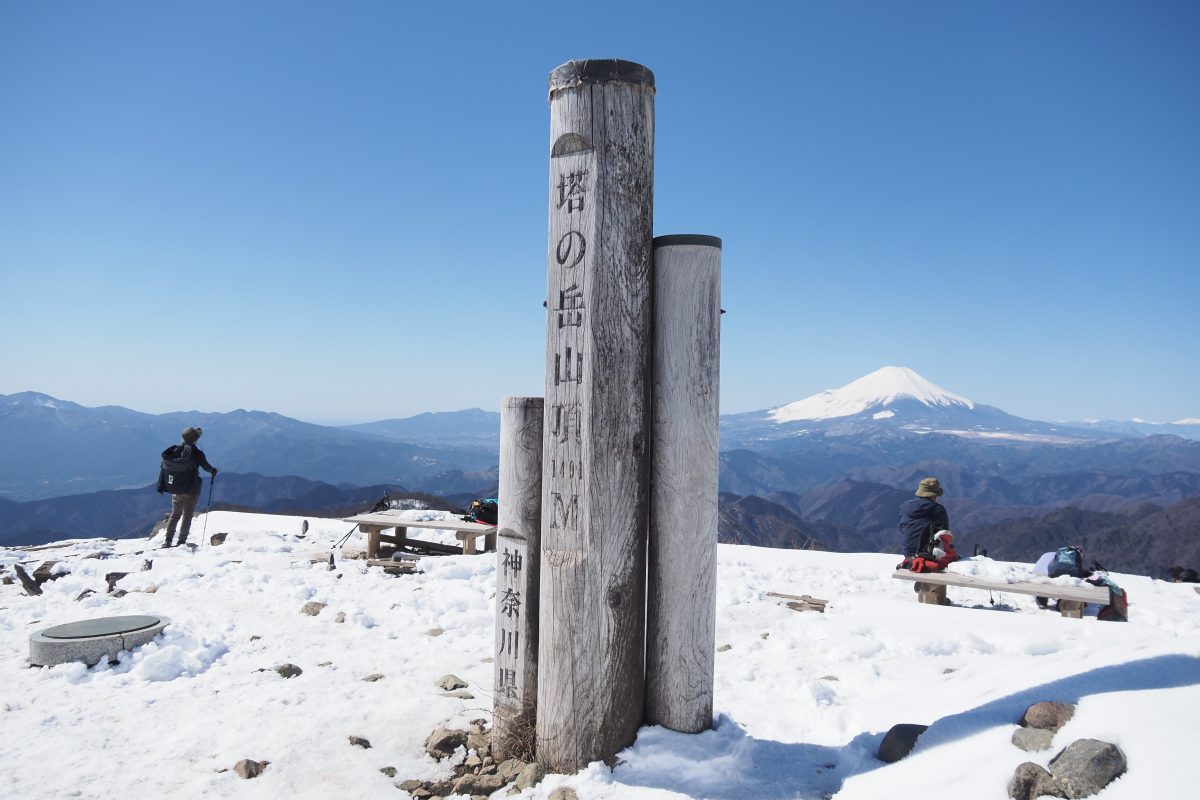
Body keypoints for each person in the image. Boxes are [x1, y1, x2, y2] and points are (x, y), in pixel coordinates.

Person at [157, 426, 218, 548]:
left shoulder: (174, 452)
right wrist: (213, 471)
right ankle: (181, 542)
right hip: (191, 489)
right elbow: (207, 467)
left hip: (176, 489)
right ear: (195, 439)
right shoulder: (196, 453)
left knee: (175, 515)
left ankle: (168, 541)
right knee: (187, 516)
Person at [898, 477, 950, 558]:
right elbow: (945, 535)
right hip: (927, 555)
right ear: (935, 495)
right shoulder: (938, 509)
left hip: (908, 554)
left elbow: (902, 528)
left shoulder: (906, 506)